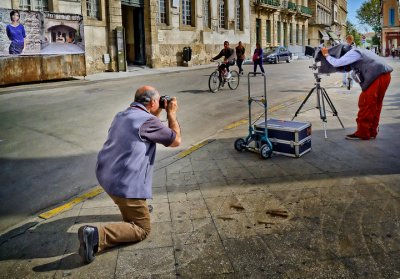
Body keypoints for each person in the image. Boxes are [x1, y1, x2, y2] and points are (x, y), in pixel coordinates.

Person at [78, 86, 181, 264]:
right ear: (153, 102)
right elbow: (175, 140)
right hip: (124, 184)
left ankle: (134, 209)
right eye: (158, 102)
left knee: (134, 205)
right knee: (142, 228)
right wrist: (171, 113)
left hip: (105, 175)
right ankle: (95, 235)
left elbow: (147, 124)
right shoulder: (148, 122)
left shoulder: (122, 114)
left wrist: (156, 110)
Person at [321, 43, 393, 140]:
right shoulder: (360, 50)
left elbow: (337, 63)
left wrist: (326, 55)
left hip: (376, 76)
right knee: (376, 104)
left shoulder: (353, 53)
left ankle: (363, 133)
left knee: (366, 103)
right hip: (385, 75)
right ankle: (371, 131)